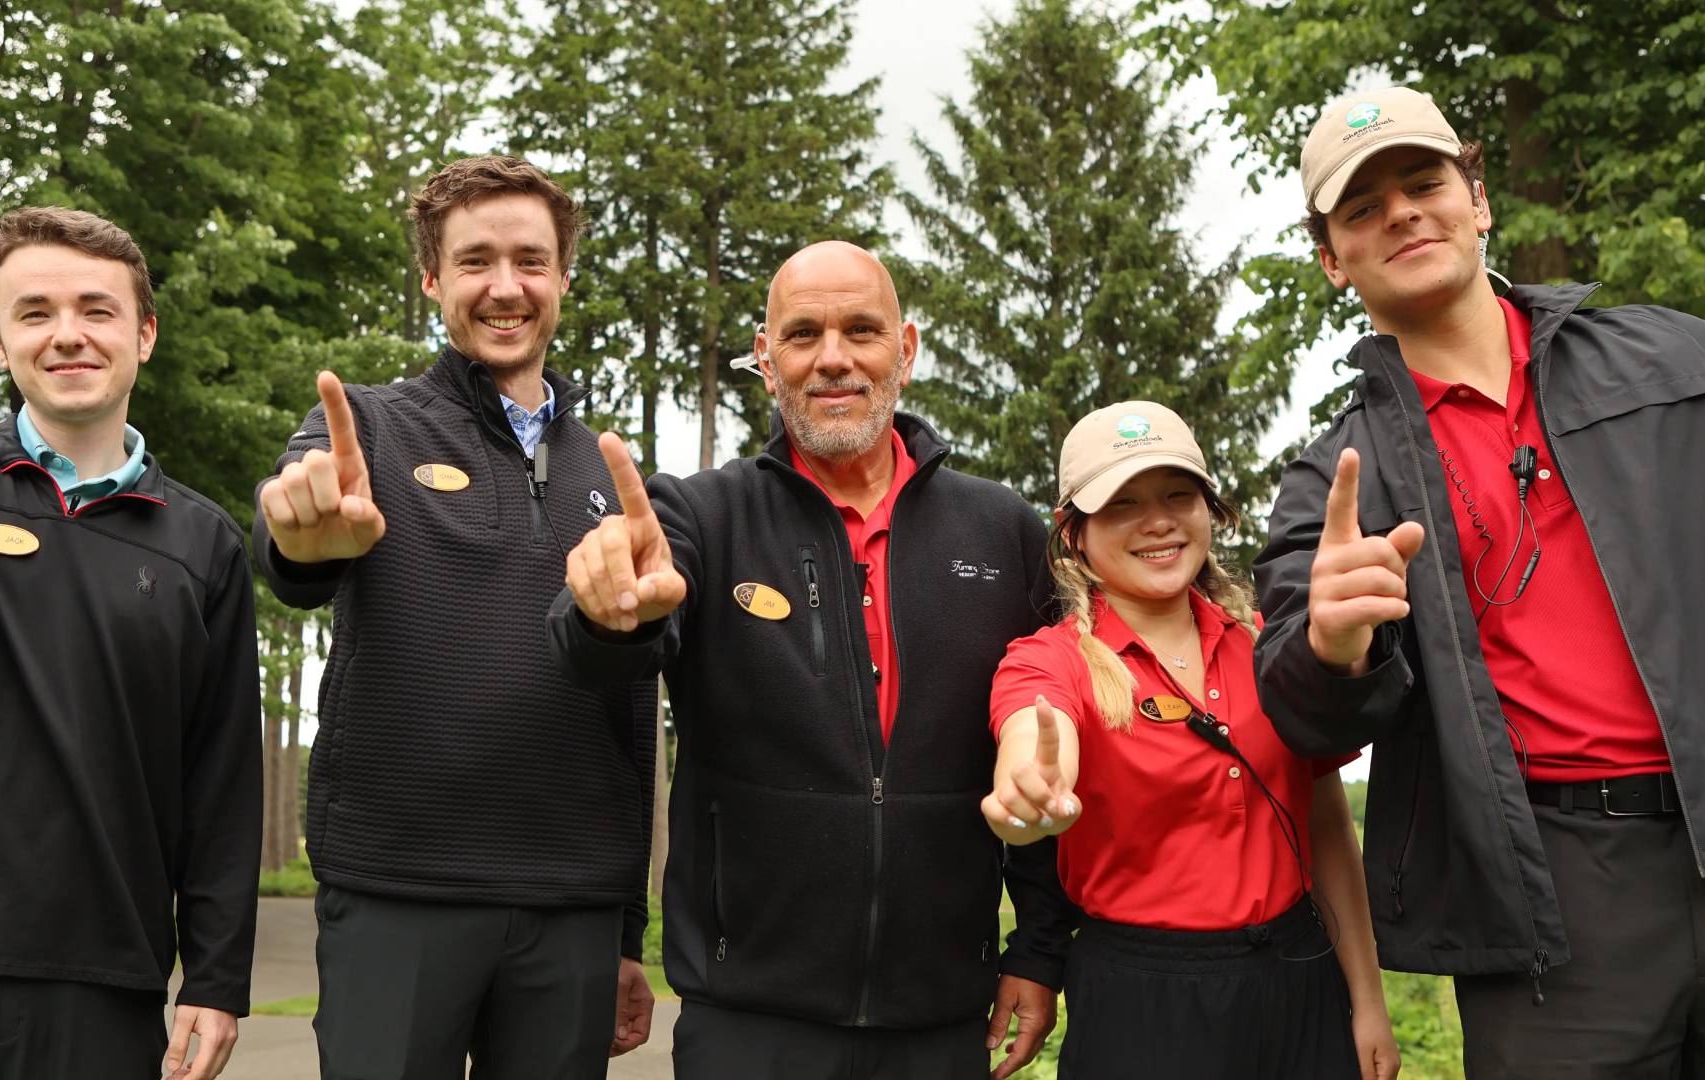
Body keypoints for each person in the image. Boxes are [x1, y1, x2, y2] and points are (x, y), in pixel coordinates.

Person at [1255, 84, 1705, 1077]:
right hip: (1555, 908)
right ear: (1332, 259)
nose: (1403, 212)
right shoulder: (1335, 481)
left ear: (1477, 198)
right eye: (1363, 209)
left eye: (1424, 182)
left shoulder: (1685, 363)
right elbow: (1303, 722)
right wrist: (1331, 649)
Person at [552, 240, 1072, 1080]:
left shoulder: (1003, 531)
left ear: (905, 350)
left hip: (941, 1023)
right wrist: (607, 614)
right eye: (803, 335)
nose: (833, 359)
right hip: (747, 1023)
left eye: (862, 330)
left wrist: (1040, 951)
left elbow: (1044, 749)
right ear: (766, 359)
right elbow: (612, 655)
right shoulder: (701, 515)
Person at [254, 155, 658, 1080]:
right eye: (475, 261)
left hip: (572, 907)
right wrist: (303, 538)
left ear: (563, 276)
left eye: (530, 260)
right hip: (397, 895)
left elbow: (634, 707)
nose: (504, 287)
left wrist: (627, 924)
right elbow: (297, 542)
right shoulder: (363, 427)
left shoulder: (615, 477)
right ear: (432, 279)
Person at [0, 206, 261, 1079]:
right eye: (35, 313)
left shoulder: (207, 546)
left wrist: (219, 976)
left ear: (145, 334)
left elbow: (222, 780)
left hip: (103, 984)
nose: (67, 335)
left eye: (97, 310)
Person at [985, 401, 1396, 1079]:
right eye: (1122, 504)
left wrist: (1368, 1000)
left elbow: (1325, 826)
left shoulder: (1271, 645)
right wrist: (1029, 786)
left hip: (1302, 980)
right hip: (1145, 1004)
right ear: (1073, 535)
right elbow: (1033, 727)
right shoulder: (1050, 660)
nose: (1158, 521)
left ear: (1212, 511)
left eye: (1179, 494)